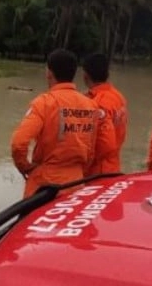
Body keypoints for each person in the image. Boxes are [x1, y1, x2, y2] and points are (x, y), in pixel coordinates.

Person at [11, 48, 107, 198]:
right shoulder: (91, 105)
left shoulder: (43, 103)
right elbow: (91, 149)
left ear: (49, 72)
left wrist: (26, 167)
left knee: (30, 221)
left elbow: (19, 143)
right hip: (76, 183)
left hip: (45, 186)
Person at [82, 53, 128, 175]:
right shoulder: (118, 96)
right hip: (113, 165)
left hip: (97, 171)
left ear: (85, 75)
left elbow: (104, 145)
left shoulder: (97, 103)